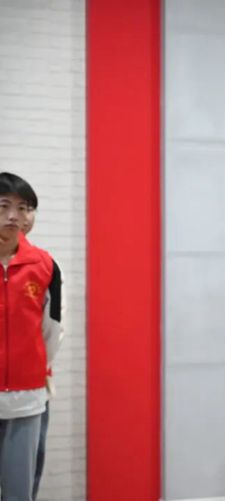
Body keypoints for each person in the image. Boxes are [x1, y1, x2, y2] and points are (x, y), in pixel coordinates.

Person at [0, 173, 63, 501]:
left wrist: (33, 366)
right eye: (4, 206)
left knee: (19, 490)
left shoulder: (45, 266)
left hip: (26, 398)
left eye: (23, 207)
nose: (14, 215)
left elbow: (51, 330)